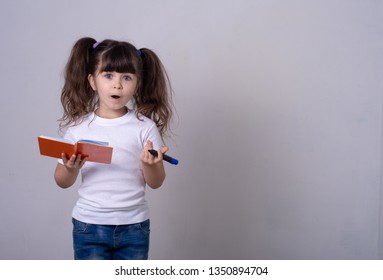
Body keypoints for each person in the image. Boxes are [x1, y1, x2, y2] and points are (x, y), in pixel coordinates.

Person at [54, 37, 173, 260]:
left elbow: (156, 182)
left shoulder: (144, 127)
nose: (117, 84)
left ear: (137, 83)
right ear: (92, 81)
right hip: (89, 225)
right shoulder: (79, 128)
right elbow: (61, 181)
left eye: (126, 77)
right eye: (108, 75)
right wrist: (71, 169)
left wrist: (151, 165)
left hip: (134, 226)